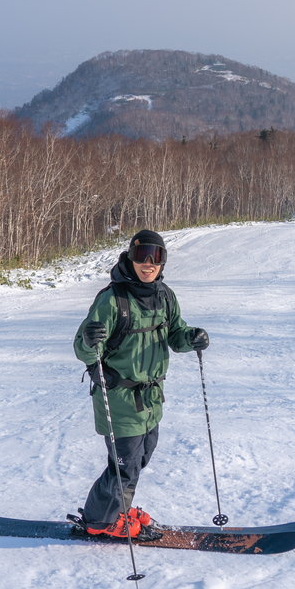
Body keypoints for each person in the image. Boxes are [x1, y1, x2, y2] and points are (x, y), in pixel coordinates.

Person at [72, 229, 210, 539]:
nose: (148, 263)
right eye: (141, 255)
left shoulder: (164, 296)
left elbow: (176, 333)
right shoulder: (112, 300)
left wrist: (192, 339)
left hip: (150, 399)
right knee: (125, 468)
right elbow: (83, 346)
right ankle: (100, 520)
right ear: (130, 258)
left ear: (163, 262)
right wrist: (88, 340)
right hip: (119, 398)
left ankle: (117, 509)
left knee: (142, 456)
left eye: (156, 256)